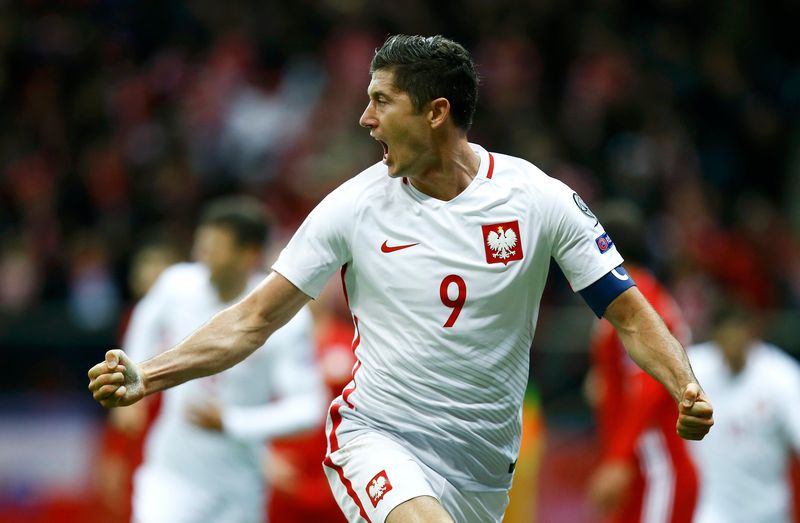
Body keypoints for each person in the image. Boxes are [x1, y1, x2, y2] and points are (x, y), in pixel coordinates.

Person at [88, 35, 714, 523]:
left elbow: (628, 312)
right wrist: (150, 376)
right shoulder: (352, 206)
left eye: (382, 100)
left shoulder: (539, 200)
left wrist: (684, 385)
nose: (365, 118)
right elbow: (254, 319)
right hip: (377, 436)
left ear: (436, 112)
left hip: (483, 468)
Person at [113, 196, 327, 523]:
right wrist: (133, 382)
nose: (204, 256)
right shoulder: (177, 285)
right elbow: (144, 324)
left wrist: (232, 421)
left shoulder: (283, 317)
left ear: (249, 254)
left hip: (239, 486)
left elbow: (308, 408)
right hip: (170, 476)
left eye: (215, 248)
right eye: (202, 245)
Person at [585, 202, 698, 523]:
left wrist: (617, 460)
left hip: (655, 467)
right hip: (639, 466)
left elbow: (649, 386)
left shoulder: (641, 298)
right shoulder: (623, 297)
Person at [688, 299, 800, 523]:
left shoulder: (781, 376)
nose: (734, 343)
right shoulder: (693, 370)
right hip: (711, 510)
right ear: (715, 337)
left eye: (739, 333)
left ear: (752, 333)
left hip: (769, 512)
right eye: (727, 336)